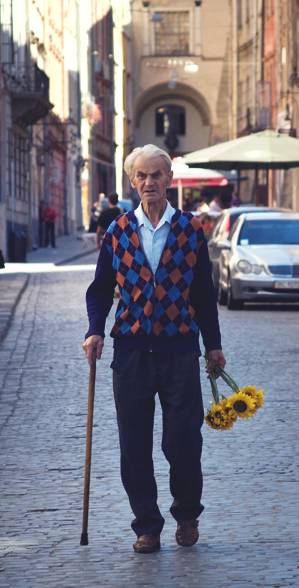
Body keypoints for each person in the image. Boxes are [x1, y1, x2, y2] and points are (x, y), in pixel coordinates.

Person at [82, 144, 225, 555]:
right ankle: (147, 525)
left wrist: (212, 346)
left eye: (157, 175)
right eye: (142, 176)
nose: (150, 182)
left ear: (169, 180)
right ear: (132, 181)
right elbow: (100, 291)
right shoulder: (118, 231)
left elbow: (204, 293)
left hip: (180, 350)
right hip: (130, 352)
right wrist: (95, 330)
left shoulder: (192, 229)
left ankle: (186, 515)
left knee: (183, 441)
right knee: (134, 445)